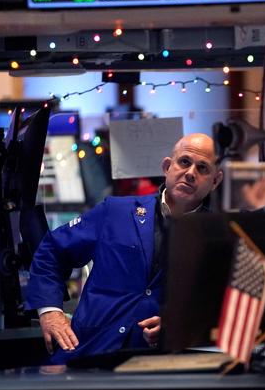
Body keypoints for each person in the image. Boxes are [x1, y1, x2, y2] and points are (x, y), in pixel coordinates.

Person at [25, 133, 223, 364]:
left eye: (202, 168)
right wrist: (50, 311)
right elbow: (52, 251)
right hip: (87, 351)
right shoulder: (116, 212)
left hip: (159, 365)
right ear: (167, 166)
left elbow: (223, 308)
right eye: (185, 162)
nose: (190, 173)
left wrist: (181, 326)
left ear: (215, 181)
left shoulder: (218, 236)